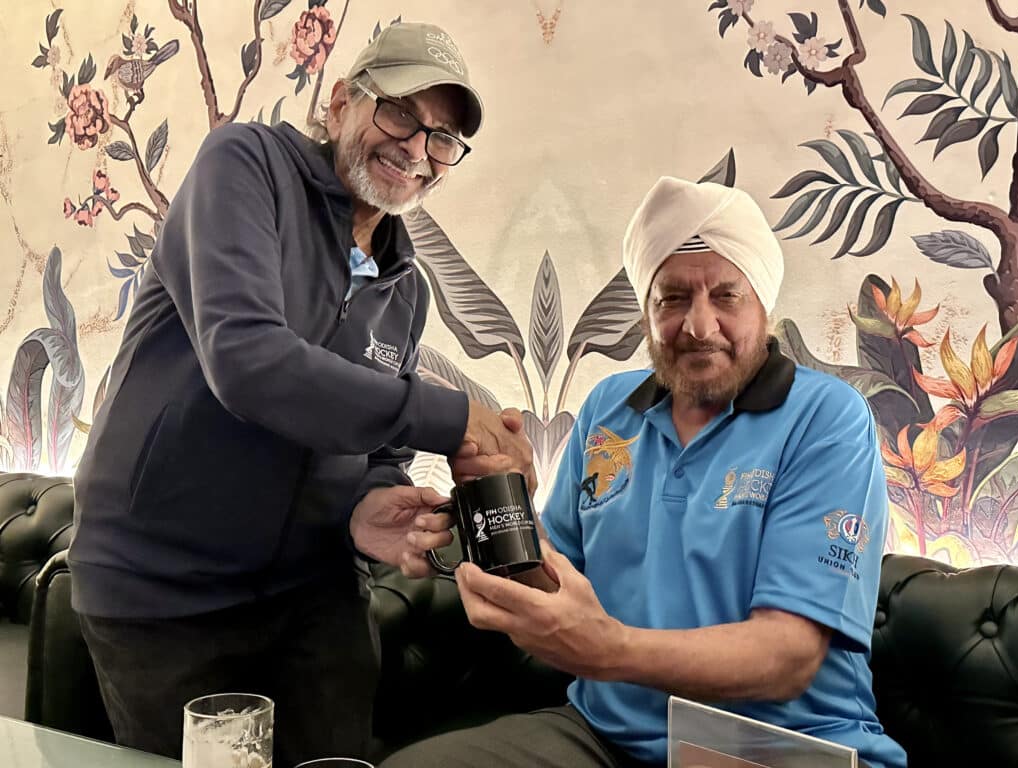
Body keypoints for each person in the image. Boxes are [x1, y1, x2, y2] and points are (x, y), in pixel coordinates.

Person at [68, 21, 533, 767]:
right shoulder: (245, 164)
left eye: (443, 136)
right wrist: (455, 416)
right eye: (401, 114)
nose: (418, 149)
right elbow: (248, 359)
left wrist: (368, 506)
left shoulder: (406, 287)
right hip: (161, 591)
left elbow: (381, 447)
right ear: (344, 100)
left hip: (315, 597)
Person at [380, 178, 908, 768]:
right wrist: (504, 501)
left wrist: (610, 650)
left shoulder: (826, 418)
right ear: (645, 312)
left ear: (765, 306)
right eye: (673, 298)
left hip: (776, 747)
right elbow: (553, 582)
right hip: (604, 734)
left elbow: (788, 657)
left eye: (726, 296)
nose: (699, 325)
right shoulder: (608, 409)